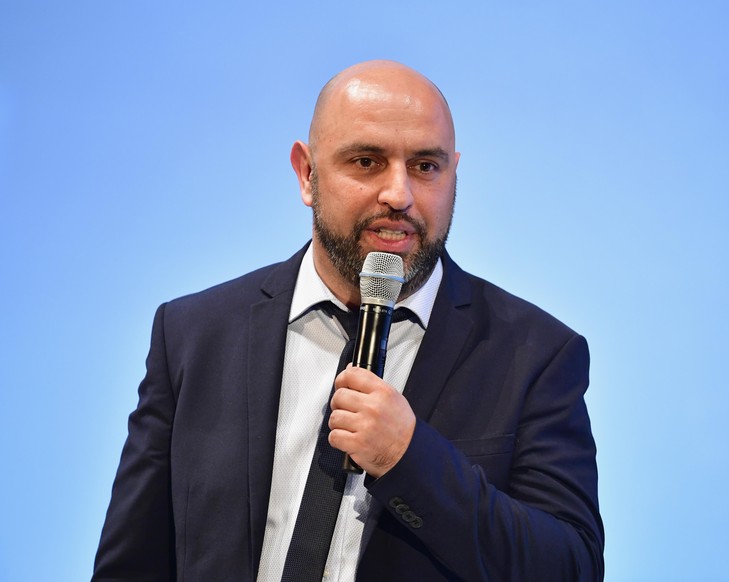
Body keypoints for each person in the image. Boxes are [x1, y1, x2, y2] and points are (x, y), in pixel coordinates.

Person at [93, 60, 605, 582]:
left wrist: (411, 461)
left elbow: (571, 566)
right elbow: (131, 564)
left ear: (454, 173)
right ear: (307, 173)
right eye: (366, 161)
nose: (399, 195)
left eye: (426, 167)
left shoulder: (535, 354)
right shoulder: (194, 336)